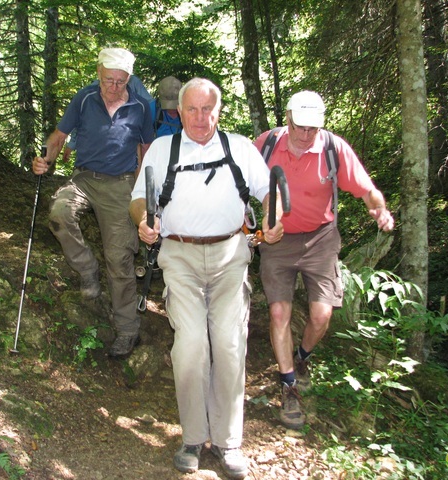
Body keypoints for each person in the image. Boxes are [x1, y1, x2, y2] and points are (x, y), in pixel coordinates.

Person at [129, 78, 283, 479]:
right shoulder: (163, 149)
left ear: (218, 111)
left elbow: (269, 191)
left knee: (230, 344)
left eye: (207, 109)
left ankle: (229, 442)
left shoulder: (240, 148)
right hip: (179, 256)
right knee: (191, 345)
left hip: (232, 255)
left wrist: (272, 217)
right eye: (191, 110)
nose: (200, 118)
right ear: (179, 112)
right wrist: (145, 223)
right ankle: (194, 437)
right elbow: (138, 199)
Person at [253, 90, 395, 430]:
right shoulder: (266, 144)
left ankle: (301, 359)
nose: (305, 135)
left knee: (321, 315)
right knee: (277, 311)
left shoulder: (333, 148)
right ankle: (288, 385)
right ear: (287, 119)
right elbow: (241, 183)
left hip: (321, 237)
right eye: (300, 127)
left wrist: (379, 208)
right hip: (277, 239)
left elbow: (364, 188)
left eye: (312, 128)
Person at [33, 47, 155, 358]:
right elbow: (59, 136)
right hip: (84, 177)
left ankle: (127, 330)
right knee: (59, 212)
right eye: (108, 80)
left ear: (129, 78)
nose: (114, 87)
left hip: (122, 183)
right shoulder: (84, 99)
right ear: (99, 73)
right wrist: (45, 159)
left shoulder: (141, 105)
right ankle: (86, 268)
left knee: (120, 258)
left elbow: (147, 147)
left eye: (120, 81)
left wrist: (139, 188)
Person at [62, 75, 155, 163]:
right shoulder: (91, 90)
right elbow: (80, 120)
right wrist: (72, 144)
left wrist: (144, 132)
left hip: (129, 150)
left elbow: (150, 107)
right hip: (95, 151)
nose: (114, 88)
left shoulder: (133, 82)